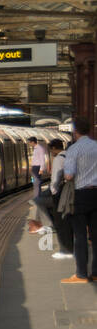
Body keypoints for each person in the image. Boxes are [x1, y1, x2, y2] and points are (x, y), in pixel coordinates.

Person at [61, 116, 97, 283]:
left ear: (75, 132)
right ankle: (95, 272)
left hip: (80, 195)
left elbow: (69, 175)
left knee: (80, 235)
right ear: (89, 130)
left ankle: (81, 274)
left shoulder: (73, 150)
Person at [42, 138, 74, 260]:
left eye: (50, 150)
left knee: (61, 221)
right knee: (68, 221)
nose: (50, 152)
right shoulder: (68, 155)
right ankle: (69, 248)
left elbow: (55, 179)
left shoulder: (58, 159)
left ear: (54, 148)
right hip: (70, 190)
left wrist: (53, 193)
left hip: (61, 193)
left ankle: (66, 250)